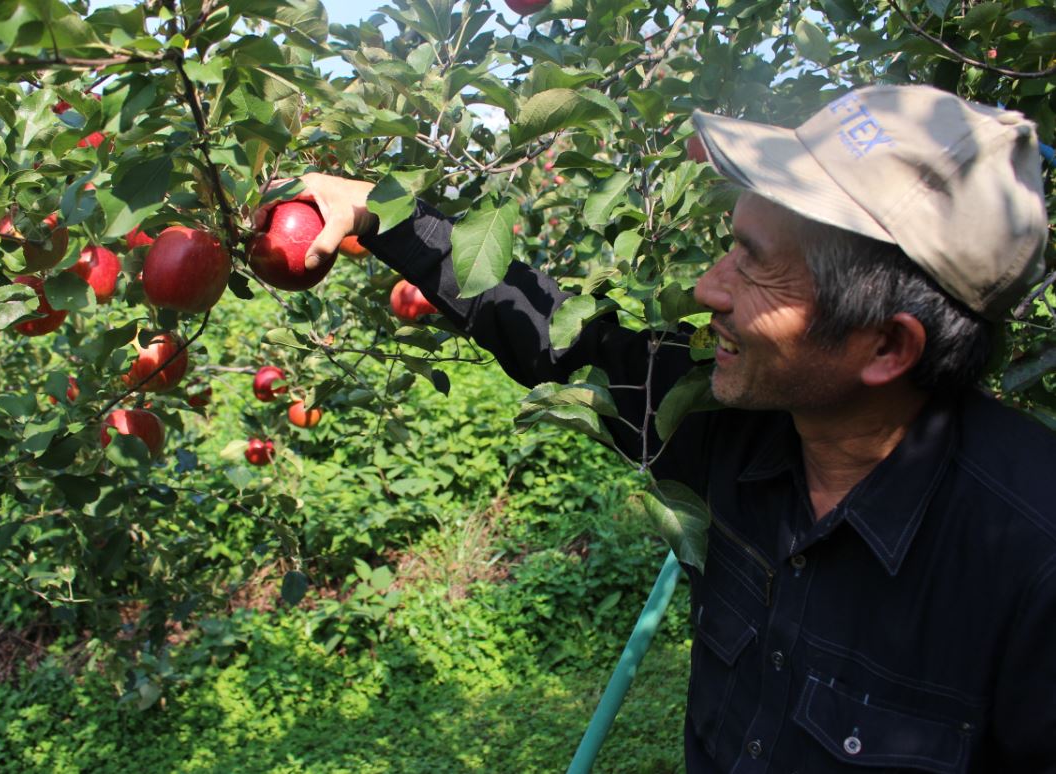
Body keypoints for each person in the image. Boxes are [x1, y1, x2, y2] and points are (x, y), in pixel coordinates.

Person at [293, 84, 1056, 771]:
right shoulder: (724, 423)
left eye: (753, 265)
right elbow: (559, 341)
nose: (705, 289)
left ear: (886, 347)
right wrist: (384, 213)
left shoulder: (1028, 561)